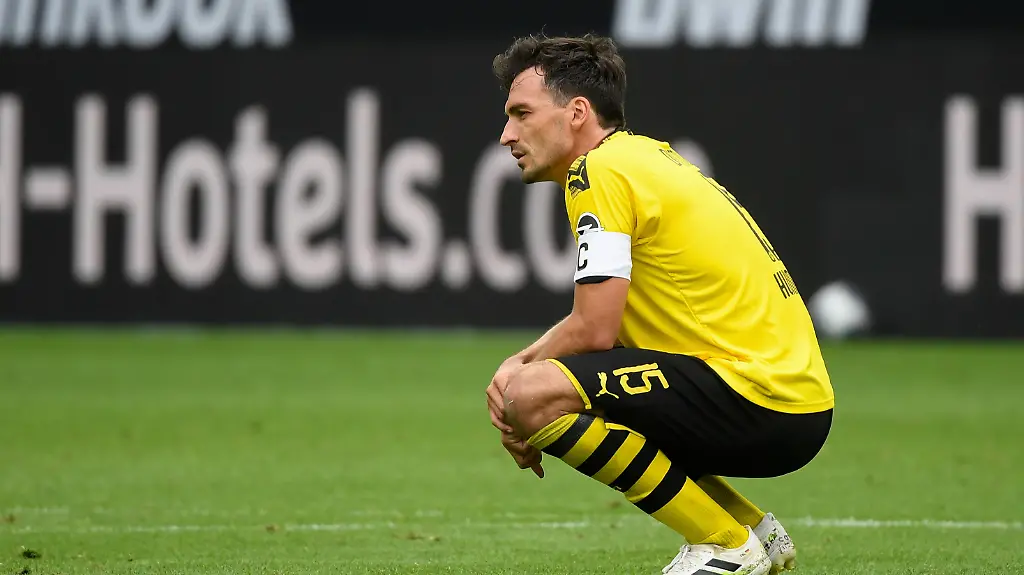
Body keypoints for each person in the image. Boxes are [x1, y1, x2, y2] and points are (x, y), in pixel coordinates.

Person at [484, 33, 835, 575]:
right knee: (572, 383)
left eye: (521, 113)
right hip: (795, 401)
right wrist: (531, 370)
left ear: (577, 113)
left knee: (535, 394)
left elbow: (593, 329)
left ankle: (725, 544)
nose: (507, 134)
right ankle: (750, 529)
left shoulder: (597, 173)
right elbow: (609, 336)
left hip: (759, 396)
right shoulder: (645, 157)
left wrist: (518, 376)